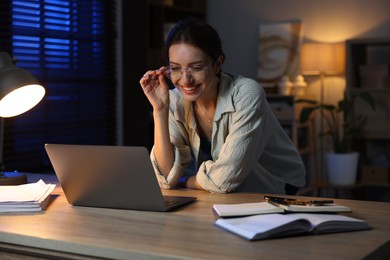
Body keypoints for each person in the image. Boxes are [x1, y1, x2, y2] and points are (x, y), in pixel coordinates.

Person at [139, 18, 305, 195]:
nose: (185, 80)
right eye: (176, 68)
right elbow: (164, 177)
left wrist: (184, 181)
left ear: (217, 63)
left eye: (196, 67)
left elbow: (223, 181)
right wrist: (160, 110)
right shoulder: (174, 100)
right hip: (227, 192)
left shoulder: (247, 94)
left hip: (274, 185)